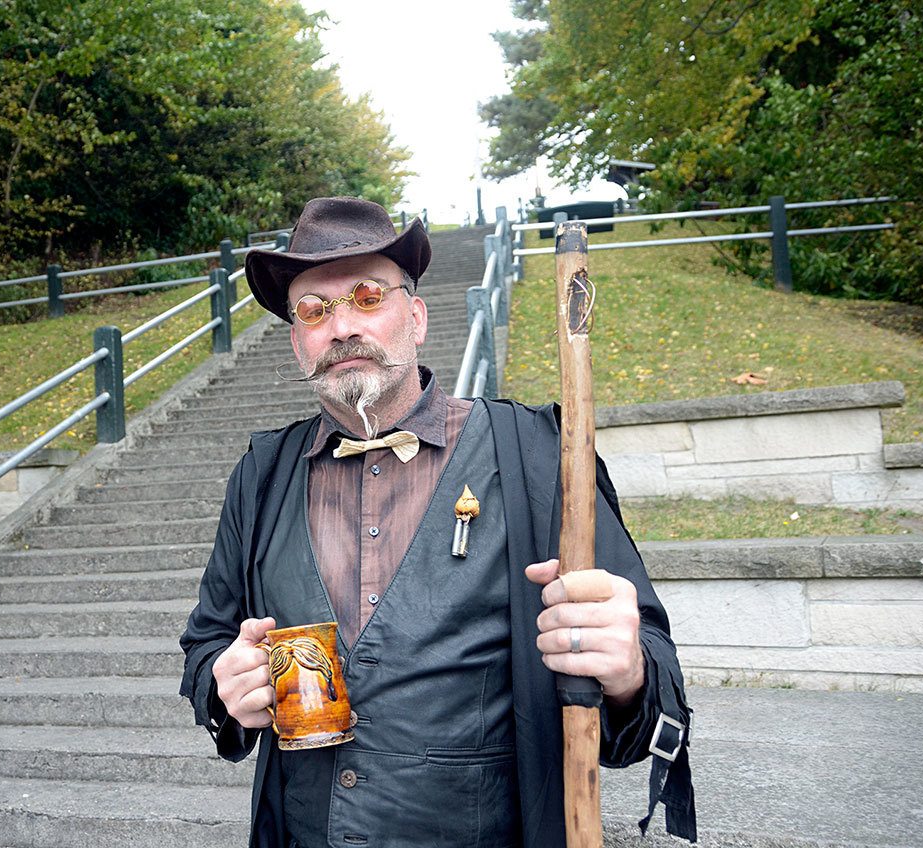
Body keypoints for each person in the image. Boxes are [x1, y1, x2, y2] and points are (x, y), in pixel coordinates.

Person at [179, 197, 695, 847]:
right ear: (295, 341)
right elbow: (205, 647)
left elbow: (654, 684)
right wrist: (224, 687)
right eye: (314, 309)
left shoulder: (536, 455)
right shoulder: (261, 475)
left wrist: (629, 672)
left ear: (417, 316)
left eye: (368, 297)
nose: (341, 328)